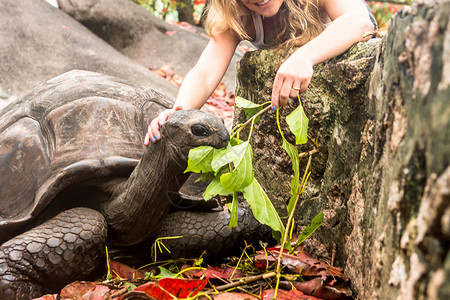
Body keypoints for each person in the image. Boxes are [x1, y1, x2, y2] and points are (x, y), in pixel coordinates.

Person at [145, 0, 376, 145]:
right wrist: (178, 112)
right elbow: (205, 72)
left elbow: (359, 21)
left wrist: (304, 57)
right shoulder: (236, 13)